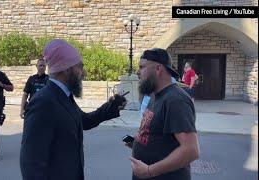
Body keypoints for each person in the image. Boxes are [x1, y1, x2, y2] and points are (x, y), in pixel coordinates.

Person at [20, 39, 127, 180]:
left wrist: (111, 107)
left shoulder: (63, 96)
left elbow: (85, 121)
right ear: (66, 69)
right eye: (80, 67)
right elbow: (31, 162)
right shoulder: (43, 102)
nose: (83, 73)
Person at [126, 48, 199, 180]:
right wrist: (140, 142)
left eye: (142, 67)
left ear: (158, 69)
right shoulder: (155, 95)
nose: (137, 72)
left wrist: (149, 171)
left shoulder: (176, 100)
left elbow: (191, 150)